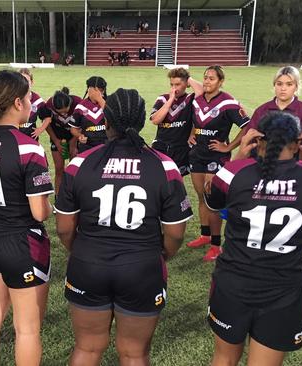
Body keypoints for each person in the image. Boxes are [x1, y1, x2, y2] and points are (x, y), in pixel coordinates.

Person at [55, 88, 192, 365]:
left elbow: (64, 229)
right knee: (134, 354)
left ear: (106, 121)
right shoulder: (164, 166)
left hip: (88, 264)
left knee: (87, 349)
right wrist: (161, 255)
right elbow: (175, 233)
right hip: (142, 268)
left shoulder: (80, 162)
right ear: (142, 121)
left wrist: (80, 250)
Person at [205, 112, 302, 366]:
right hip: (283, 289)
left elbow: (213, 205)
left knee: (223, 358)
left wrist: (237, 157)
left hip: (233, 283)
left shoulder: (234, 172)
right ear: (299, 142)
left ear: (258, 140)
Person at [0, 70, 54, 365]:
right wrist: (50, 208)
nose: (31, 103)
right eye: (28, 98)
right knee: (26, 328)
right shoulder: (29, 146)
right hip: (20, 241)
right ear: (18, 102)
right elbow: (39, 211)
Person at [186, 66, 250, 261]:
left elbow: (248, 126)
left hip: (216, 157)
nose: (207, 82)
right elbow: (193, 122)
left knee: (212, 199)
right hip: (197, 155)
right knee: (200, 197)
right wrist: (191, 134)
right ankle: (205, 235)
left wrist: (228, 146)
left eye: (212, 79)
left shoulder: (228, 102)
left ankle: (216, 244)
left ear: (220, 82)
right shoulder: (196, 100)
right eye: (205, 78)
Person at [247, 66, 302, 164]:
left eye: (289, 84)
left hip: (294, 169)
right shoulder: (262, 110)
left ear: (296, 86)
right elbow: (250, 142)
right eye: (279, 84)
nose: (283, 88)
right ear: (274, 85)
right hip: (263, 167)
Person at [150, 67, 203, 177]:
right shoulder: (162, 99)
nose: (174, 88)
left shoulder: (190, 99)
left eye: (178, 84)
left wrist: (189, 79)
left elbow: (202, 91)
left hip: (181, 147)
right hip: (161, 146)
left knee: (177, 177)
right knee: (159, 177)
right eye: (172, 84)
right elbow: (155, 120)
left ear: (186, 84)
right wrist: (170, 100)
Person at [39, 87, 82, 194]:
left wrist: (74, 142)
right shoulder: (48, 105)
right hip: (57, 135)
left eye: (66, 111)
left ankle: (74, 196)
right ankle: (58, 197)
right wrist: (56, 141)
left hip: (74, 136)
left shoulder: (78, 103)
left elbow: (82, 124)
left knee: (74, 169)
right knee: (59, 169)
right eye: (60, 113)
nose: (63, 115)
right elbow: (47, 124)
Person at [70, 77, 108, 155]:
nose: (99, 93)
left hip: (106, 146)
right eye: (96, 90)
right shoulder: (80, 107)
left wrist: (100, 100)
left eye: (101, 91)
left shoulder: (109, 103)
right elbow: (73, 129)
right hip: (87, 147)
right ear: (89, 90)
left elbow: (113, 121)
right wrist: (80, 135)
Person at [18, 68, 48, 139]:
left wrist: (41, 129)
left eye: (27, 81)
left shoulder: (37, 100)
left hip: (31, 138)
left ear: (32, 82)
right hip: (14, 139)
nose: (24, 83)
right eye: (21, 81)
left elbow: (47, 117)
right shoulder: (11, 98)